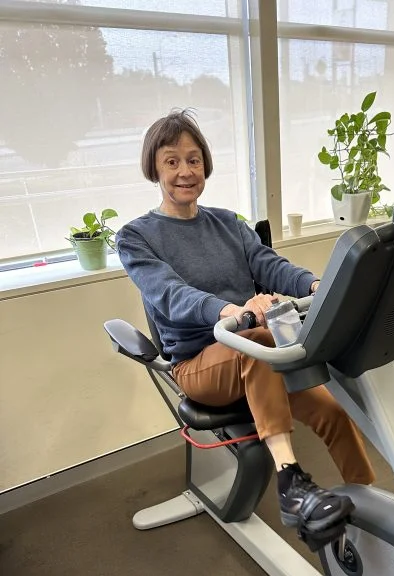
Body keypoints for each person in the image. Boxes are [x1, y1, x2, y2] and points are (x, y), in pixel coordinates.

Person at [116, 109, 375, 549]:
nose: (185, 171)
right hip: (200, 363)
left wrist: (320, 286)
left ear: (205, 166)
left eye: (194, 160)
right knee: (255, 343)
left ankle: (368, 508)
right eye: (172, 161)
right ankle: (291, 482)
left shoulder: (227, 222)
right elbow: (171, 294)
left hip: (255, 354)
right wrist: (233, 312)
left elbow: (269, 265)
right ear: (154, 168)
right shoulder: (135, 236)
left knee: (332, 412)